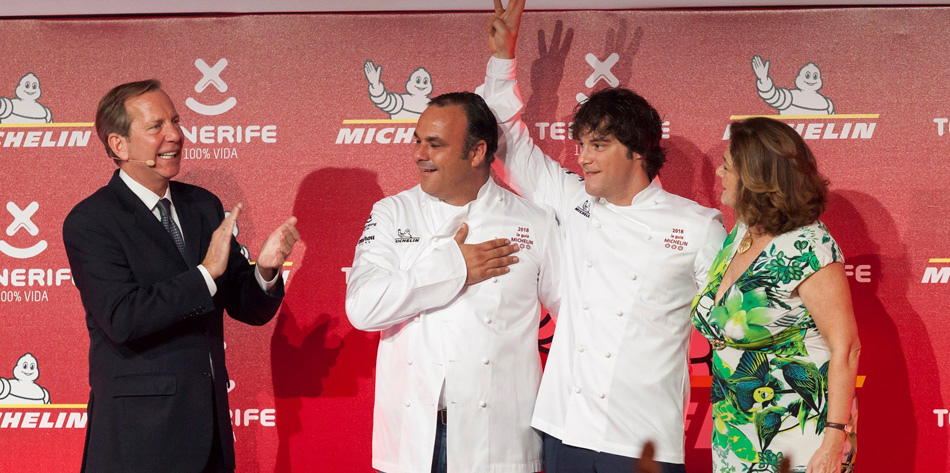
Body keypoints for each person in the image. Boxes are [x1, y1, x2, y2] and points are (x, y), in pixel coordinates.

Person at [480, 2, 727, 471]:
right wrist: (501, 59)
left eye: (598, 145)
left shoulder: (698, 227)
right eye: (580, 146)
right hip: (563, 428)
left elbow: (734, 328)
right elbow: (508, 140)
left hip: (643, 440)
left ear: (638, 152)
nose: (583, 159)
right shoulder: (572, 199)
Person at [63, 79, 299, 473]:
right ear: (119, 145)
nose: (175, 134)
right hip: (138, 439)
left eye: (175, 120)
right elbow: (123, 318)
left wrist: (266, 270)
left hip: (209, 432)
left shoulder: (202, 205)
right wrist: (205, 274)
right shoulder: (91, 221)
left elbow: (246, 306)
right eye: (156, 126)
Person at [345, 91, 562, 473]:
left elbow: (575, 316)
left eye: (435, 144)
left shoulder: (536, 222)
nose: (419, 154)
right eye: (417, 141)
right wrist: (453, 267)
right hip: (415, 441)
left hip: (500, 442)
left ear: (477, 152)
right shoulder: (393, 213)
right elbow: (363, 308)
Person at [690, 117, 860, 473]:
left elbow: (846, 348)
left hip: (799, 433)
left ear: (756, 179)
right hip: (734, 429)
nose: (719, 173)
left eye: (727, 166)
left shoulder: (809, 248)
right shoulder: (741, 232)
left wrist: (832, 441)